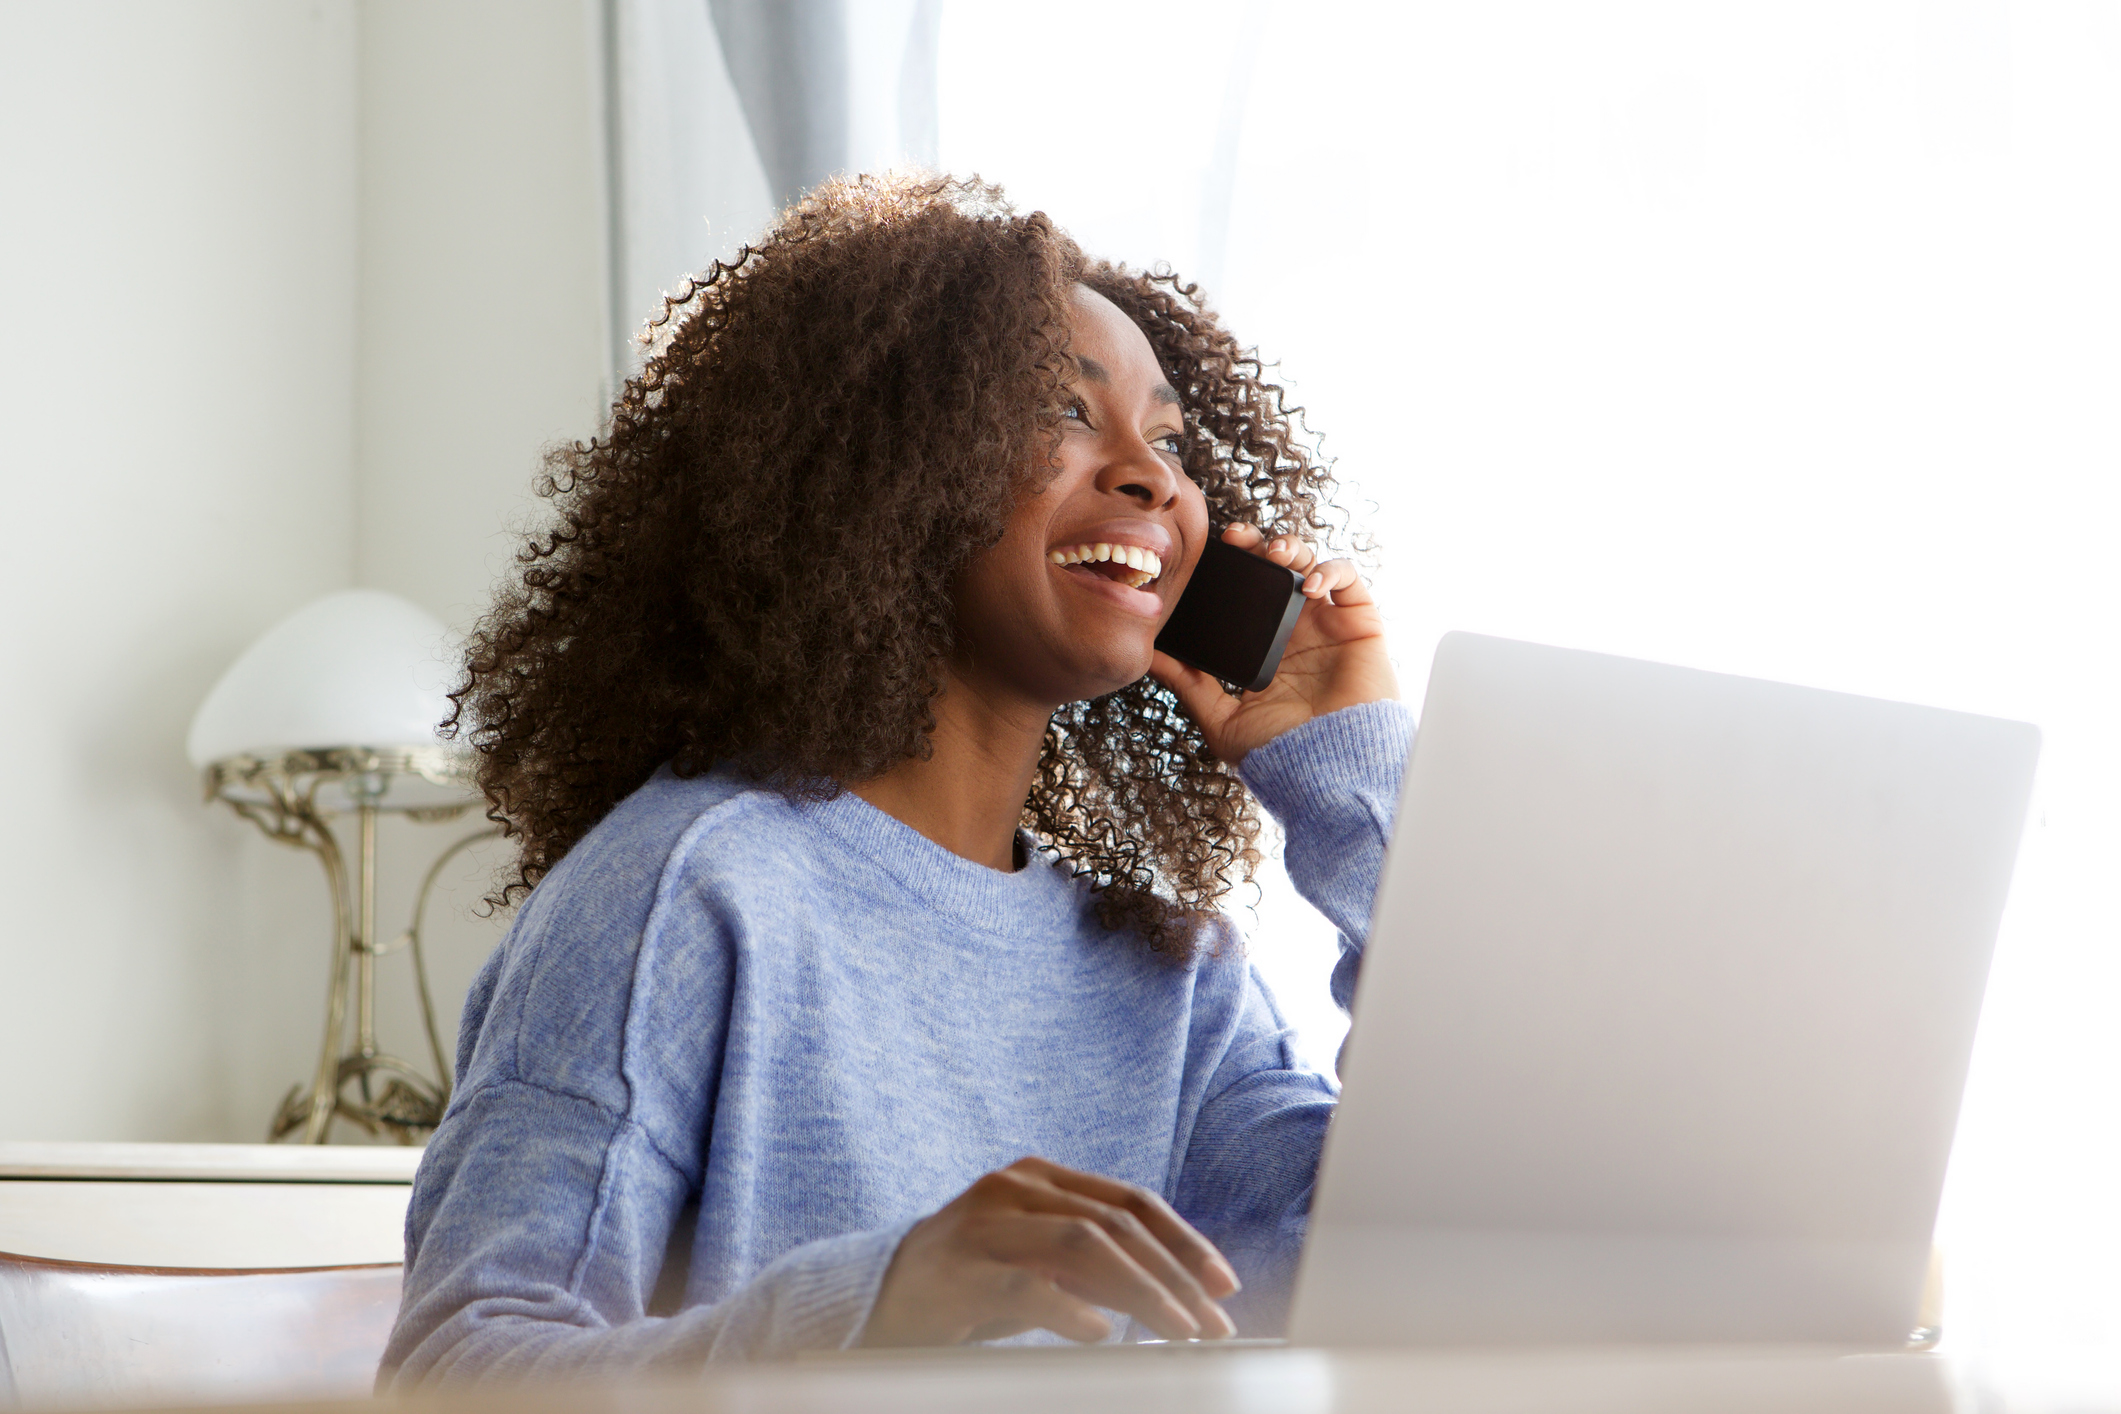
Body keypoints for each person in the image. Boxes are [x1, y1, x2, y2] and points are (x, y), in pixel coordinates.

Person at [378, 173, 1409, 1385]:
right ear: (882, 465)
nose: (1152, 477)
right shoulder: (694, 888)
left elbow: (1423, 1270)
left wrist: (1354, 783)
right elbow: (455, 1369)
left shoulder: (1174, 979)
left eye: (1171, 440)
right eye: (1062, 412)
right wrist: (877, 1303)